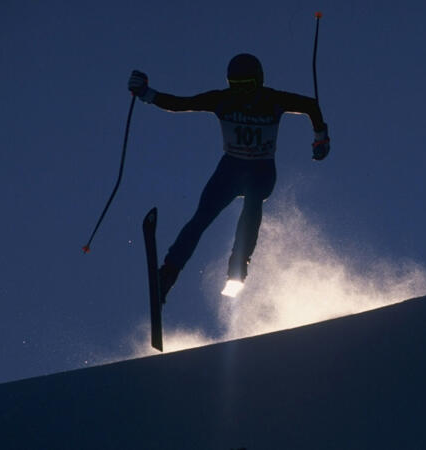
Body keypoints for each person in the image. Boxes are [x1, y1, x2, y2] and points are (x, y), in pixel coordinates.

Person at [128, 53, 329, 298]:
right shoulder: (222, 100)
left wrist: (321, 138)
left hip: (260, 170)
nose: (243, 93)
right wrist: (146, 93)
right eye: (237, 87)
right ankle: (168, 274)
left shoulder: (273, 99)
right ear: (229, 84)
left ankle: (238, 266)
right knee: (201, 218)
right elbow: (181, 104)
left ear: (260, 81)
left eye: (248, 87)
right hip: (231, 169)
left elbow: (310, 105)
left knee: (252, 206)